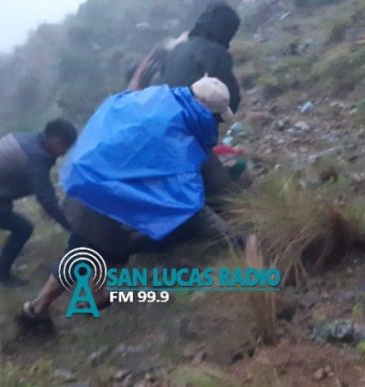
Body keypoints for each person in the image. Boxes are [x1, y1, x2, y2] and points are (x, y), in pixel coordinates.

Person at [20, 76, 240, 325]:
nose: (216, 123)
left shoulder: (154, 101)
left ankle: (97, 295)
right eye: (217, 118)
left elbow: (115, 108)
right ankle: (37, 308)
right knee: (83, 252)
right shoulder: (177, 137)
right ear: (208, 115)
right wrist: (233, 238)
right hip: (107, 197)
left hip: (90, 176)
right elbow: (188, 204)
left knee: (107, 247)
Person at [0, 119, 76, 290]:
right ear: (54, 141)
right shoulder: (36, 158)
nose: (64, 154)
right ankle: (1, 274)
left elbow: (39, 185)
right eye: (64, 148)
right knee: (22, 229)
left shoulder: (29, 140)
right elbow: (47, 200)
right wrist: (73, 228)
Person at [159, 2, 242, 208]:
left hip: (161, 131)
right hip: (190, 136)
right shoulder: (215, 52)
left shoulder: (177, 51)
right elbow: (230, 98)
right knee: (226, 199)